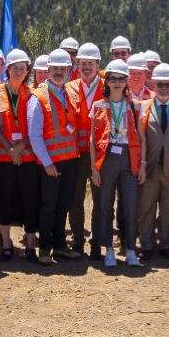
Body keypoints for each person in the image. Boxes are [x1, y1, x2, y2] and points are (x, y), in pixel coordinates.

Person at [26, 49, 81, 265]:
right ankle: (45, 248)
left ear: (69, 70)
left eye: (63, 69)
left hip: (70, 161)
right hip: (51, 163)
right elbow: (34, 134)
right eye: (55, 69)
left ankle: (60, 246)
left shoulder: (69, 93)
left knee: (63, 205)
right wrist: (47, 162)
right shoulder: (38, 97)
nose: (59, 72)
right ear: (48, 70)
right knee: (49, 206)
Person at [89, 60, 143, 267]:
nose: (117, 83)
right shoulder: (98, 106)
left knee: (130, 206)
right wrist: (94, 168)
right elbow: (93, 140)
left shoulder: (135, 106)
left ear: (127, 81)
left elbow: (142, 138)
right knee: (105, 207)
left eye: (121, 79)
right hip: (107, 159)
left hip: (129, 159)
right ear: (107, 81)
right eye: (113, 79)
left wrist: (143, 164)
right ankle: (108, 250)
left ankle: (130, 249)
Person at [0, 49, 38, 262]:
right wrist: (10, 148)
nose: (18, 72)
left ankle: (29, 245)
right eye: (14, 68)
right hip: (3, 157)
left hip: (27, 157)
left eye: (22, 69)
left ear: (27, 71)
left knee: (30, 200)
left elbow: (37, 127)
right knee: (4, 200)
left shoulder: (33, 94)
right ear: (7, 70)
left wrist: (20, 148)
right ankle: (7, 245)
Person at [136, 63, 169, 260]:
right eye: (160, 84)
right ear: (154, 85)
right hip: (150, 167)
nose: (164, 88)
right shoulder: (143, 108)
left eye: (167, 84)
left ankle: (166, 244)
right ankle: (146, 245)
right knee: (146, 208)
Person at [66, 42, 104, 258]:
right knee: (76, 200)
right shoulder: (70, 88)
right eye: (83, 63)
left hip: (100, 154)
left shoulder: (108, 86)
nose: (86, 67)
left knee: (100, 200)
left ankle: (97, 244)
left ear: (98, 64)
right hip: (77, 154)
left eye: (91, 63)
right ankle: (78, 242)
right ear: (77, 64)